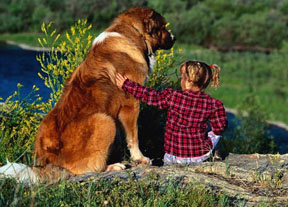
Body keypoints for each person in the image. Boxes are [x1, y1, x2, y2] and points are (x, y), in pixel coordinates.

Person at [115, 60, 227, 165]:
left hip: (173, 156)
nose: (180, 80)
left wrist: (127, 84)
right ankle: (210, 153)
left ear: (188, 81)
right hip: (198, 156)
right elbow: (219, 127)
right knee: (216, 133)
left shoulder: (173, 96)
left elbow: (151, 96)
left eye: (182, 77)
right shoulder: (214, 104)